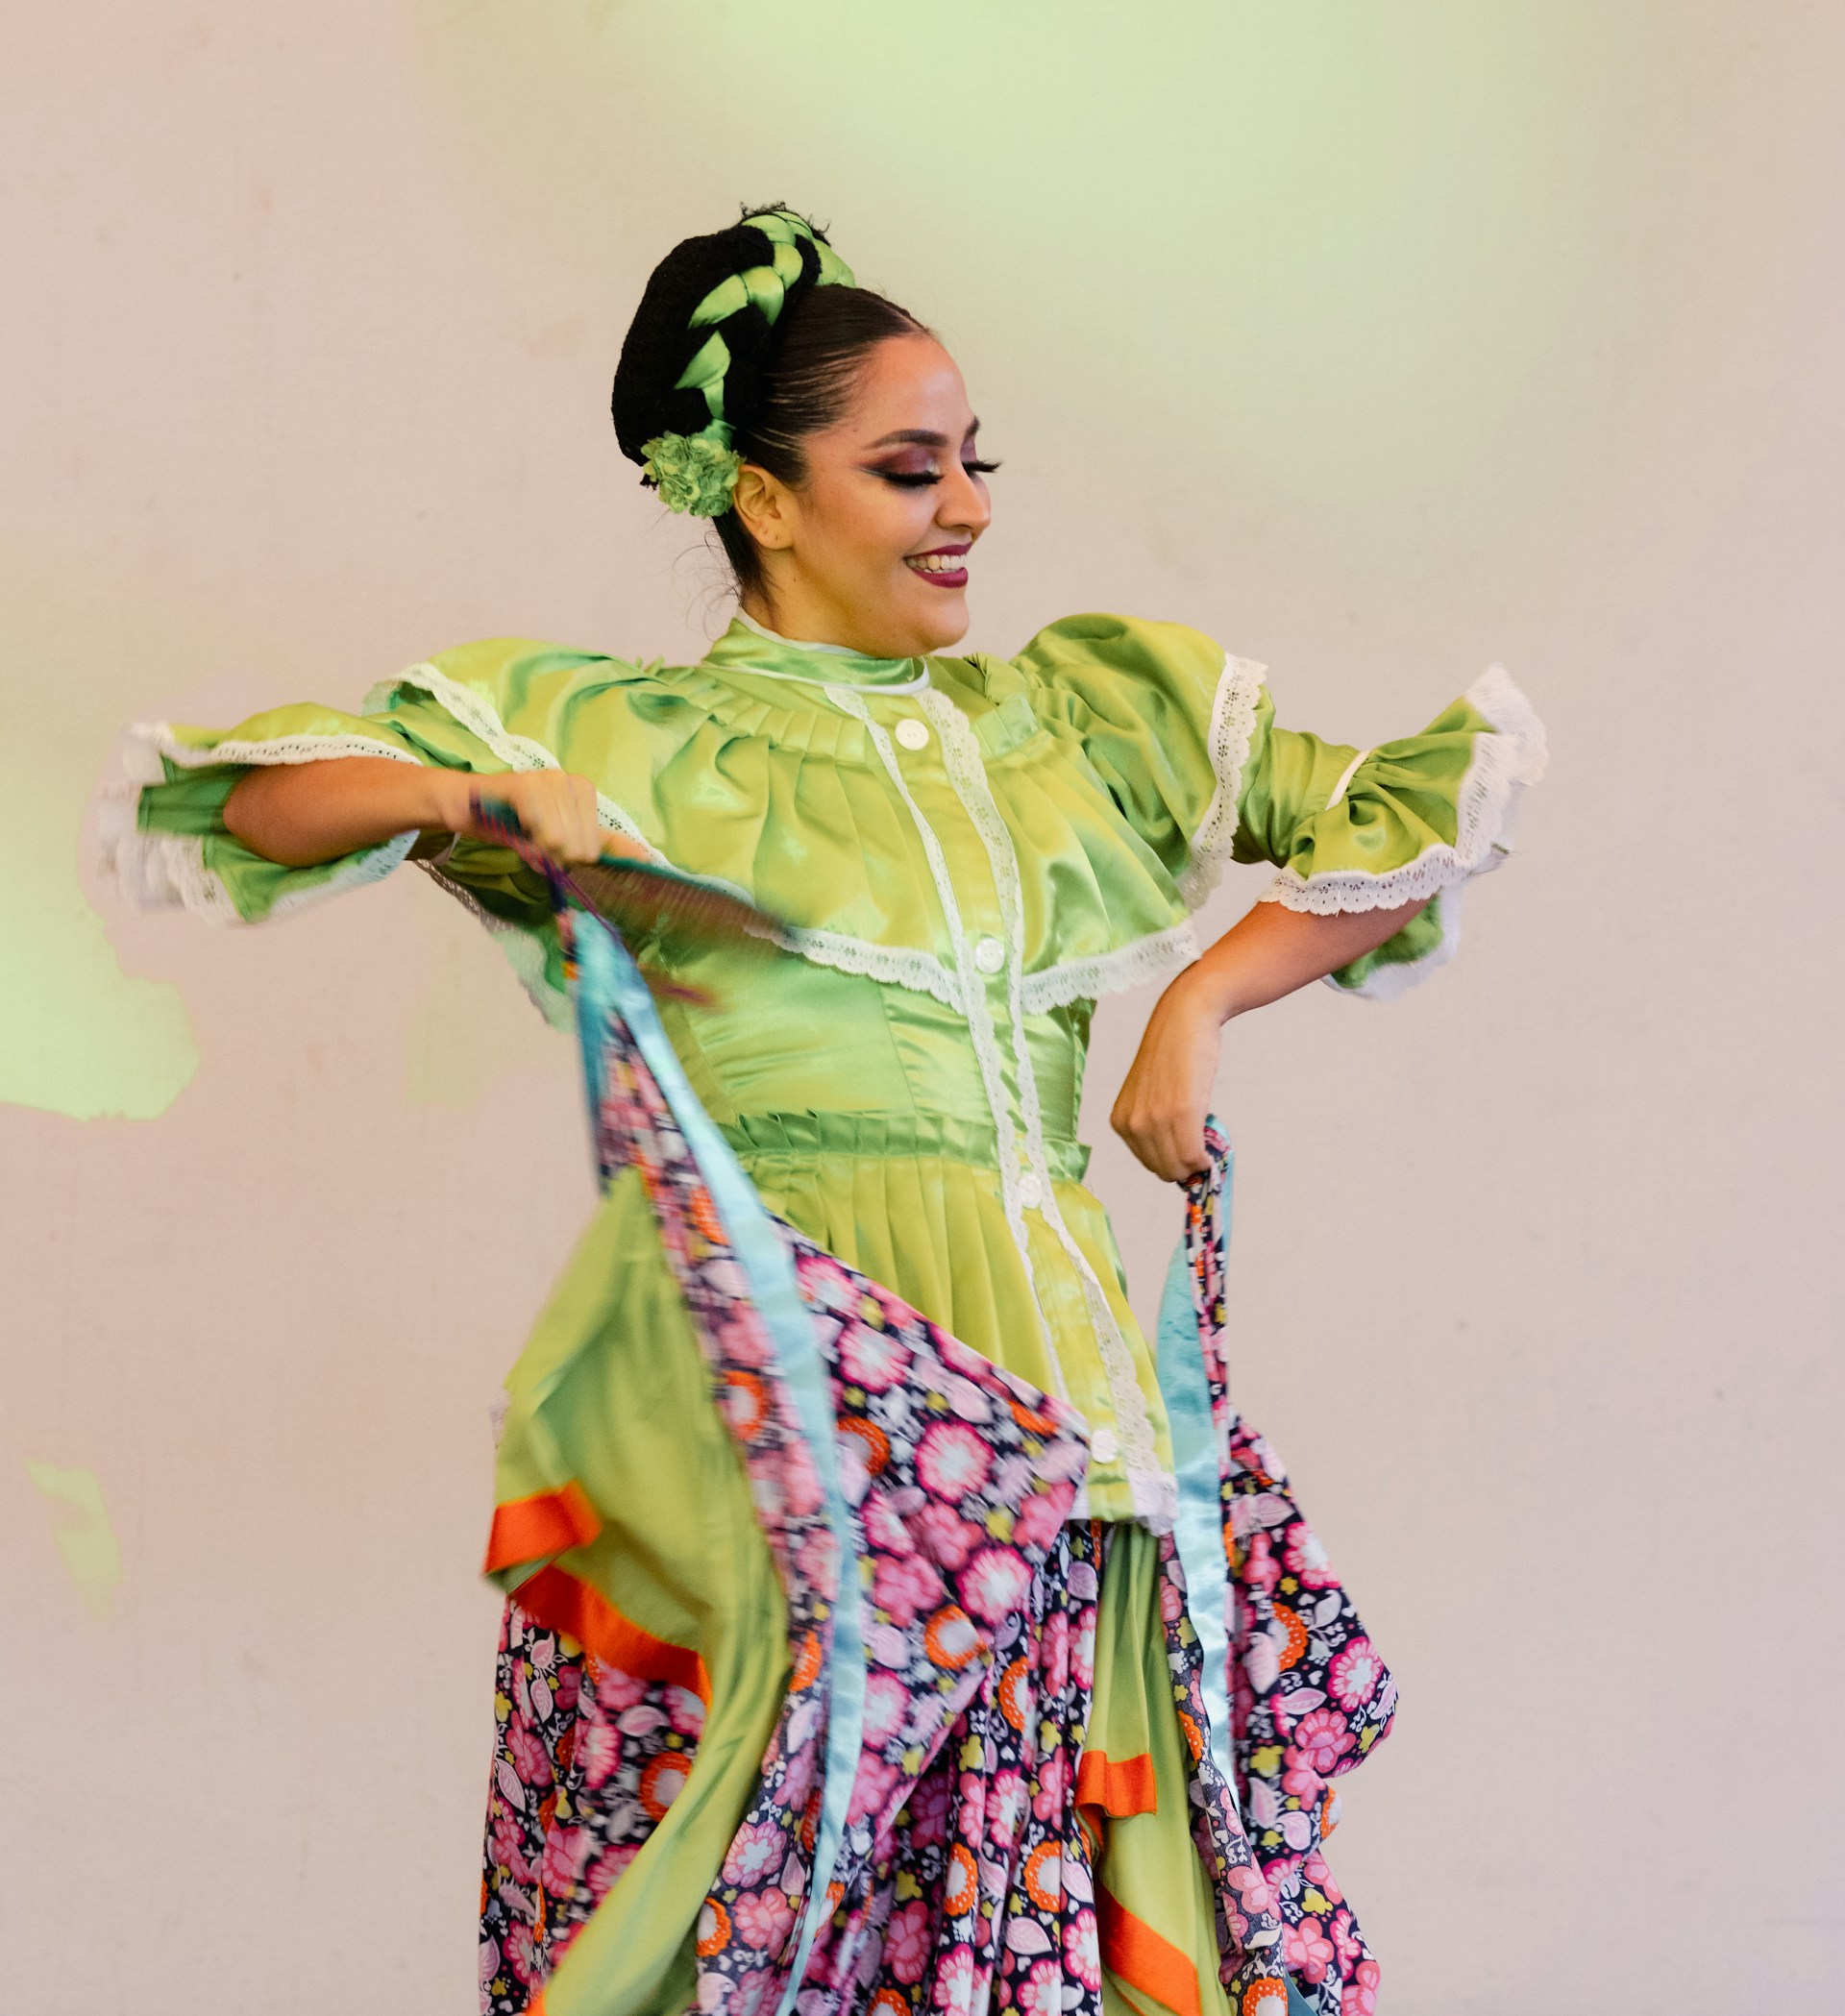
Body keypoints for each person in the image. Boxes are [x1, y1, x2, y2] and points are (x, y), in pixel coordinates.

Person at [104, 207, 1544, 2016]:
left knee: (1051, 1953)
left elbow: (1411, 826)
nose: (969, 507)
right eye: (908, 467)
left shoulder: (1073, 725)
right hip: (784, 1455)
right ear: (766, 501)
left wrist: (1195, 999)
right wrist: (471, 795)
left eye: (975, 464)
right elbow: (254, 806)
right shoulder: (621, 733)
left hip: (1054, 1438)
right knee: (753, 1952)